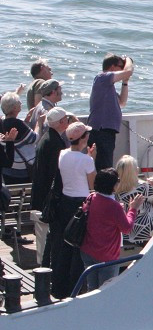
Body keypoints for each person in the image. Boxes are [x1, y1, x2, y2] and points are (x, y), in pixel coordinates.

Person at [48, 121, 97, 297]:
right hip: (82, 204)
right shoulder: (87, 160)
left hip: (66, 203)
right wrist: (92, 158)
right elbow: (92, 185)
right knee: (79, 246)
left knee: (65, 245)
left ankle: (60, 286)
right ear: (83, 138)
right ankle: (75, 286)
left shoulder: (62, 154)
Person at [79, 168, 144, 292]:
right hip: (106, 255)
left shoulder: (91, 197)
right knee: (106, 291)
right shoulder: (114, 206)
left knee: (91, 289)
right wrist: (133, 209)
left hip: (87, 250)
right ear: (113, 186)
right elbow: (127, 228)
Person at [30, 106, 69, 264]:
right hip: (47, 195)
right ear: (61, 122)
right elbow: (54, 173)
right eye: (66, 119)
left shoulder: (47, 138)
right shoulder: (55, 143)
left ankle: (46, 263)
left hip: (40, 191)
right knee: (51, 235)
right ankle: (48, 264)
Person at [86, 53, 135, 170]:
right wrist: (128, 60)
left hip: (107, 131)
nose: (123, 69)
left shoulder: (108, 86)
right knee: (104, 167)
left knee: (105, 164)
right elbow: (128, 71)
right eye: (120, 66)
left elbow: (122, 102)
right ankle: (101, 187)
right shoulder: (102, 78)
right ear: (112, 67)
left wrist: (125, 82)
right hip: (101, 131)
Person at [115, 154, 153, 248]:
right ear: (135, 170)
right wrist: (151, 185)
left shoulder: (115, 190)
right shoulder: (144, 186)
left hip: (126, 234)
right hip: (146, 232)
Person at [1, 91, 37, 185]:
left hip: (7, 170)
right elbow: (34, 138)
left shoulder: (2, 123)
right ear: (14, 108)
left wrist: (26, 122)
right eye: (19, 102)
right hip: (22, 169)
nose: (21, 103)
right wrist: (39, 124)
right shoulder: (17, 124)